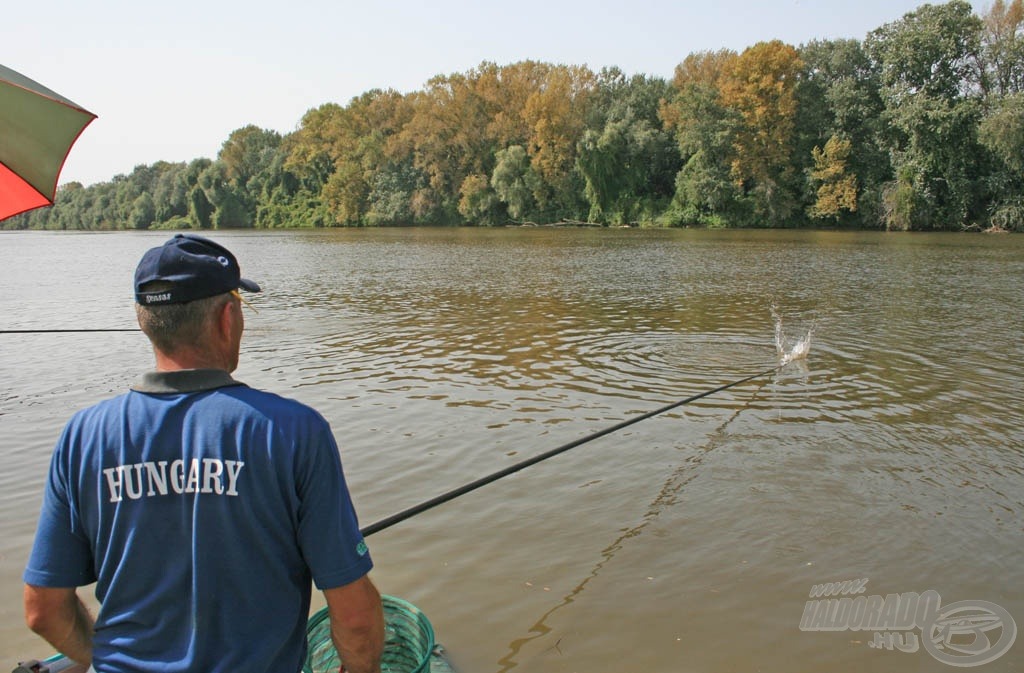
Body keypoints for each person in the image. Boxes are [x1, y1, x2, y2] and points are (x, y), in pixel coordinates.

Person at [23, 234, 384, 673]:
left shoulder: (82, 437)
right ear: (227, 319)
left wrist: (106, 660)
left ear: (145, 322)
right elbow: (356, 620)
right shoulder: (293, 432)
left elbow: (43, 610)